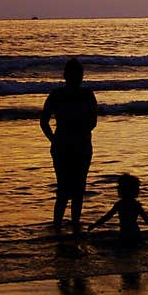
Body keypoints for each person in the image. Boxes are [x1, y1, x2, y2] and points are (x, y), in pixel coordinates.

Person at [40, 57, 97, 233]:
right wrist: (55, 139)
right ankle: (64, 226)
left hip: (73, 145)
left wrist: (55, 139)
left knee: (71, 189)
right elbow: (92, 122)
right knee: (69, 189)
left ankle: (69, 226)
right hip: (68, 145)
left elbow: (44, 122)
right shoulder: (65, 95)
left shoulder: (73, 94)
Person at [88, 173, 148, 247]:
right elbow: (146, 218)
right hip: (136, 234)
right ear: (135, 191)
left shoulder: (120, 204)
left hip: (124, 234)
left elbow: (107, 217)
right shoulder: (136, 205)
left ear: (121, 190)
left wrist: (94, 225)